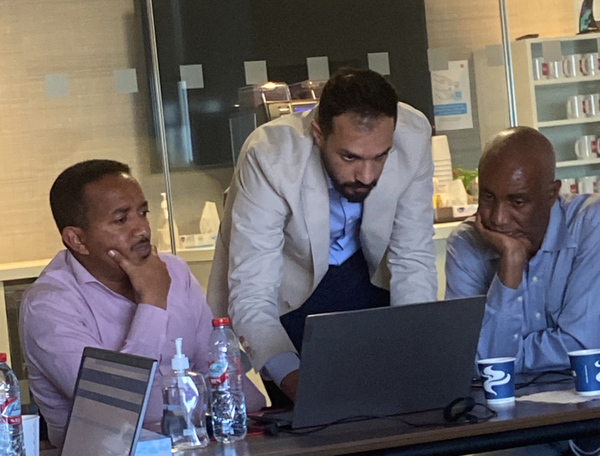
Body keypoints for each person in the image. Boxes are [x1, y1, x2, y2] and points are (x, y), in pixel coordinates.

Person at [208, 68, 437, 403]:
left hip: (370, 280)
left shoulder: (412, 134)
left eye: (380, 156)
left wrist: (417, 356)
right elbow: (253, 294)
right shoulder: (270, 155)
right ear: (318, 132)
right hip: (288, 298)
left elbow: (413, 258)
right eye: (350, 157)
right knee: (309, 428)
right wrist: (301, 387)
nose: (367, 174)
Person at [20, 160, 264, 448]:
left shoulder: (174, 271)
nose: (142, 230)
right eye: (121, 220)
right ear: (77, 239)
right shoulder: (48, 305)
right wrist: (152, 303)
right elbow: (113, 409)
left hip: (197, 442)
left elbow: (217, 373)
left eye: (142, 212)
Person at [446, 127, 600, 456]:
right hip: (511, 425)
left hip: (591, 412)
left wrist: (505, 358)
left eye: (518, 201)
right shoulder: (466, 243)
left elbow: (582, 344)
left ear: (551, 193)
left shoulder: (592, 223)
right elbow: (467, 360)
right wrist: (511, 262)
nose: (498, 218)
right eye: (487, 197)